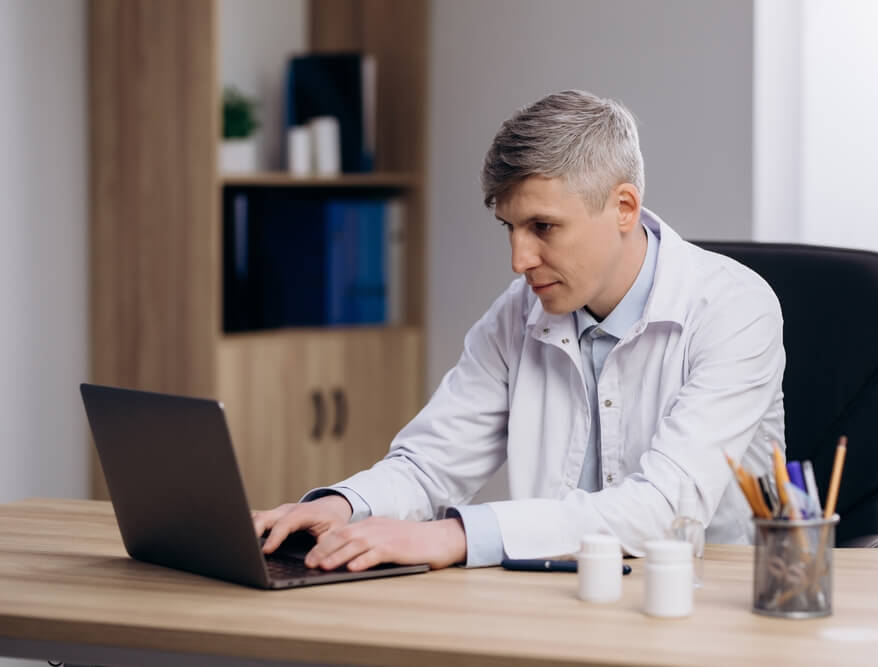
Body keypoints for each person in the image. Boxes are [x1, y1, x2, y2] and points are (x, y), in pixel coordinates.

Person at [254, 90, 785, 572]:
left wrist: (458, 535)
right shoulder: (517, 314)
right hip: (550, 598)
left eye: (543, 227)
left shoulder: (734, 309)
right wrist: (340, 506)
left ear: (623, 207)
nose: (519, 259)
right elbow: (430, 465)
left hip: (701, 602)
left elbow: (667, 510)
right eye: (510, 227)